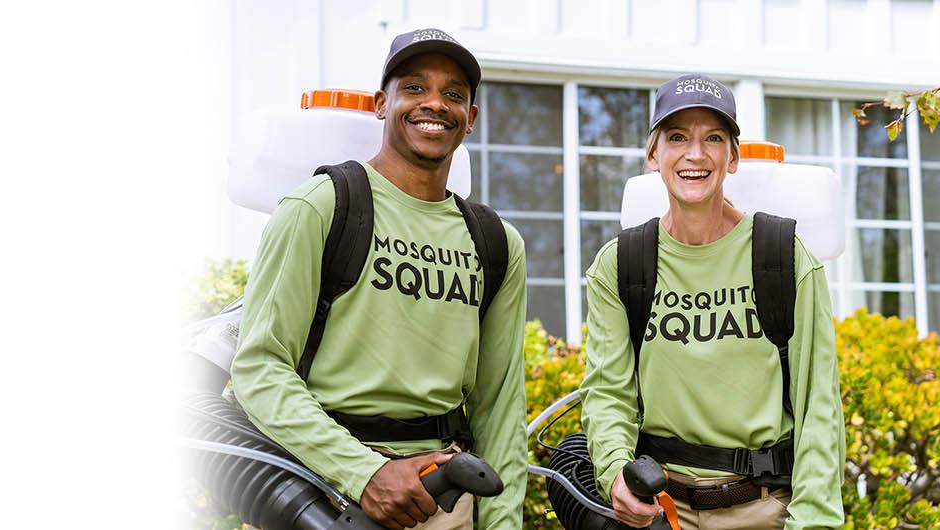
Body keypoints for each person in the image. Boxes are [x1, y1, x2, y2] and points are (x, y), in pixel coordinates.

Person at [230, 28, 528, 530]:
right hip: (325, 493)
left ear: (470, 118)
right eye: (414, 87)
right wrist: (365, 472)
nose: (435, 103)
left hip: (447, 494)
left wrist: (501, 524)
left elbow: (499, 406)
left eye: (453, 94)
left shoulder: (497, 242)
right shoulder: (320, 206)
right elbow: (260, 368)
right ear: (380, 105)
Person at [579, 73, 846, 530]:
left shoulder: (782, 254)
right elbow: (608, 395)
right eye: (677, 137)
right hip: (661, 510)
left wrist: (814, 520)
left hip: (763, 509)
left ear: (734, 157)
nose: (695, 154)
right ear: (653, 155)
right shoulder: (620, 264)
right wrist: (615, 473)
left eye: (714, 138)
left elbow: (818, 405)